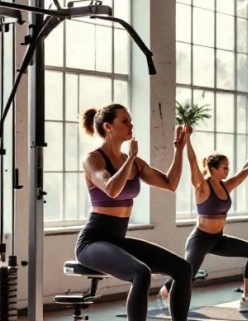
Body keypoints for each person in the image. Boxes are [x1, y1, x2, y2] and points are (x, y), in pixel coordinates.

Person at [75, 104, 192, 321]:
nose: (131, 125)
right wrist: (130, 158)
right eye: (125, 121)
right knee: (141, 273)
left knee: (183, 269)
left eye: (130, 120)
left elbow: (170, 183)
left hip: (117, 240)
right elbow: (111, 189)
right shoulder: (93, 159)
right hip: (92, 242)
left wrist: (179, 149)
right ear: (109, 127)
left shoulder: (136, 163)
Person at [158, 131, 248, 313]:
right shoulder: (202, 186)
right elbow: (193, 162)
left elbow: (246, 169)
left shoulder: (226, 186)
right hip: (200, 239)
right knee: (188, 274)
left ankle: (247, 299)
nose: (228, 171)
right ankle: (166, 292)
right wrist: (187, 142)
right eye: (225, 167)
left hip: (218, 239)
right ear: (214, 168)